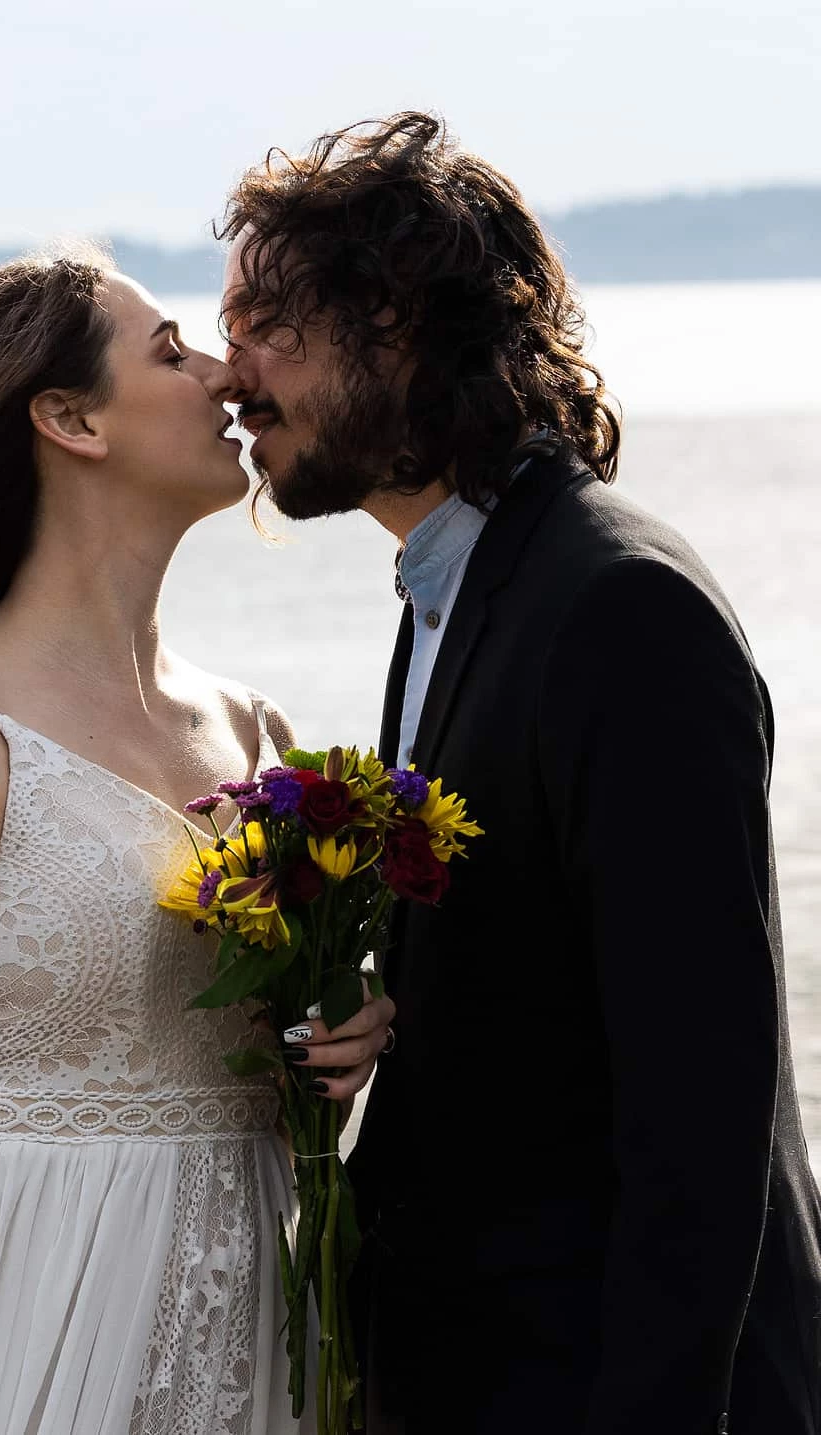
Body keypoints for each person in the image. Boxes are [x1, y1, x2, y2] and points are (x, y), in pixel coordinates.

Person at [219, 113, 821, 1433]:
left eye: (265, 323)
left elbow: (701, 1113)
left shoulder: (620, 609)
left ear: (391, 325)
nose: (228, 370)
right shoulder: (452, 590)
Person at [0, 242, 394, 1435]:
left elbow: (270, 1093)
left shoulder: (257, 734)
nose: (222, 375)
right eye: (171, 350)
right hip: (7, 1350)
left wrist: (342, 1044)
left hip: (245, 1345)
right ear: (69, 420)